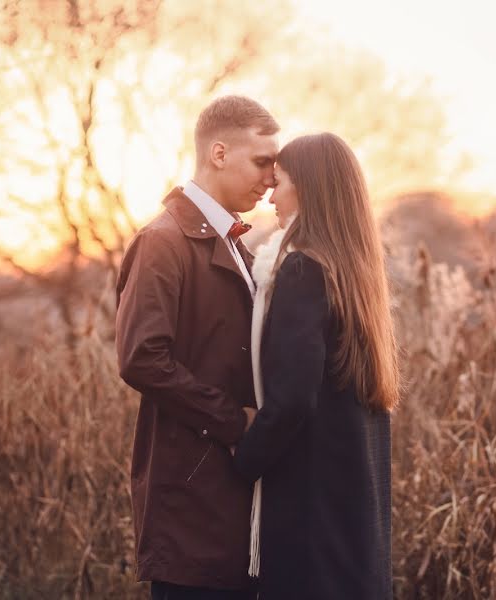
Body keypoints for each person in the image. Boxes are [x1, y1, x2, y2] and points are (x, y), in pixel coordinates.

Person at [116, 95, 279, 600]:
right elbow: (142, 357)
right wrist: (236, 422)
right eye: (262, 161)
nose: (272, 178)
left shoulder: (235, 241)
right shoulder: (163, 241)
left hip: (227, 499)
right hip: (190, 504)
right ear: (219, 153)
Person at [233, 132, 400, 599]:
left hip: (312, 517)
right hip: (354, 519)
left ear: (307, 188)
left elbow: (291, 399)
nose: (269, 194)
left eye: (279, 181)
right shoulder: (356, 275)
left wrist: (241, 465)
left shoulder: (303, 270)